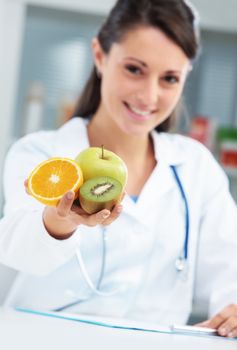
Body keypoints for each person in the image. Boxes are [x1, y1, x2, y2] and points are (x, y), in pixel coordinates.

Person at [1, 0, 237, 338]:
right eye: (134, 69)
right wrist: (61, 219)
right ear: (100, 56)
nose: (148, 95)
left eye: (169, 78)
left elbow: (229, 271)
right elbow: (18, 250)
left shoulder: (196, 168)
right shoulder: (42, 153)